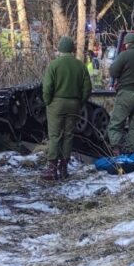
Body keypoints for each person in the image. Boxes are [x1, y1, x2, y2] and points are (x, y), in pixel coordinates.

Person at [41, 36, 92, 180]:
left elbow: (47, 87)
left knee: (54, 135)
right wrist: (80, 102)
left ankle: (52, 169)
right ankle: (64, 168)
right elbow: (87, 88)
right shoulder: (80, 65)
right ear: (72, 49)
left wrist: (48, 101)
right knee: (68, 135)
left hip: (56, 103)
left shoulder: (54, 65)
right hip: (74, 104)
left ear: (60, 49)